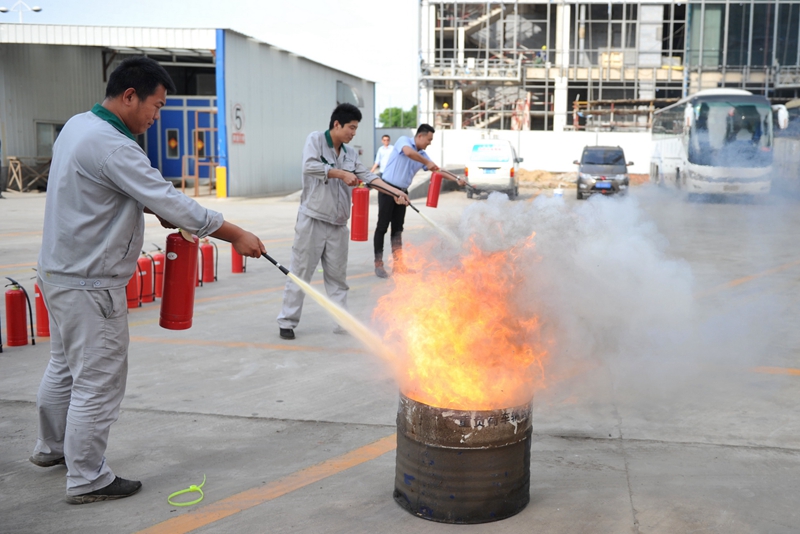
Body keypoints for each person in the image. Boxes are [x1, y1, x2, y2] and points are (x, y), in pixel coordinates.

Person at [30, 57, 266, 505]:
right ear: (129, 96)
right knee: (97, 382)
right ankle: (87, 478)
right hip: (91, 284)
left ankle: (52, 447)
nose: (157, 116)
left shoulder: (78, 127)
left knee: (63, 367)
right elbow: (173, 201)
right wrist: (235, 234)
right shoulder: (115, 146)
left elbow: (99, 188)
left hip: (59, 273)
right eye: (156, 106)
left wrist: (143, 205)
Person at [276, 103, 408, 340]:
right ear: (337, 124)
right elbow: (309, 166)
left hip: (338, 224)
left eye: (356, 128)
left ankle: (342, 321)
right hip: (313, 220)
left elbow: (368, 176)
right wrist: (340, 173)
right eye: (351, 127)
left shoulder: (350, 154)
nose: (353, 133)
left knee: (337, 277)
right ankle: (287, 321)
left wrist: (395, 192)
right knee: (301, 272)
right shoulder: (316, 140)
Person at [372, 124, 464, 278]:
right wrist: (426, 162)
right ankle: (378, 264)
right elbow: (408, 153)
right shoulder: (404, 141)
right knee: (382, 227)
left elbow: (437, 169)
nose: (430, 143)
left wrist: (457, 179)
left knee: (397, 230)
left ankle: (399, 265)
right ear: (420, 136)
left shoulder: (422, 155)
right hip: (387, 189)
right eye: (429, 139)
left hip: (403, 193)